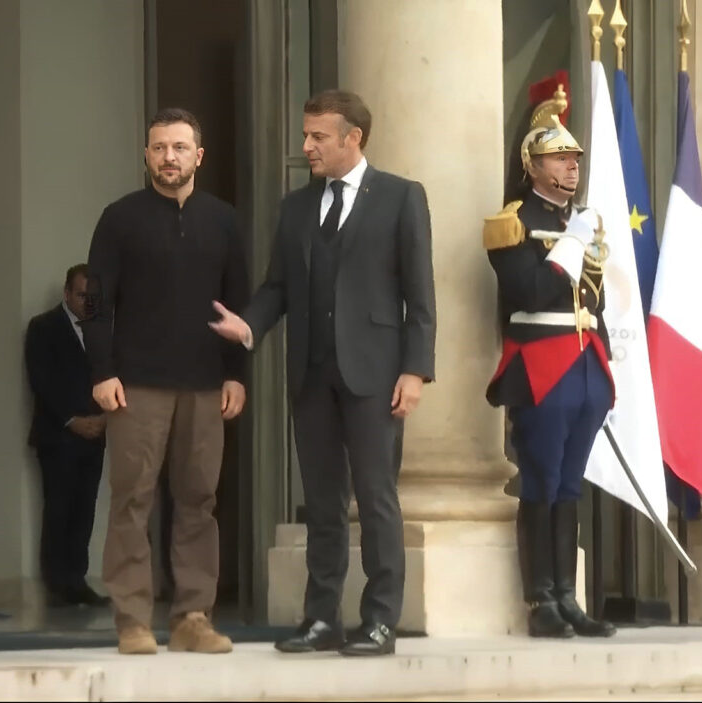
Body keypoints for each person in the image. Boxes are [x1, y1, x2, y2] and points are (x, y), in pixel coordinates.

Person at [211, 90, 435, 657]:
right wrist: (249, 327)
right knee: (322, 500)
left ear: (351, 138)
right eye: (306, 135)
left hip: (377, 375)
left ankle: (381, 620)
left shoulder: (401, 198)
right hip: (312, 375)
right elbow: (278, 287)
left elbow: (421, 296)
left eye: (317, 137)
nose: (306, 146)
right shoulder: (295, 207)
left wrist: (416, 370)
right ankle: (321, 619)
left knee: (377, 498)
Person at [84, 107, 249, 655]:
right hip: (136, 385)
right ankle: (132, 619)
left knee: (199, 500)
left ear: (198, 156)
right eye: (159, 147)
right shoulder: (120, 218)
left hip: (206, 384)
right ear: (146, 154)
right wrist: (102, 372)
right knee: (133, 498)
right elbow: (98, 304)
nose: (169, 157)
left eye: (180, 147)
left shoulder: (224, 220)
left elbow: (238, 306)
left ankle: (192, 618)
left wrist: (236, 375)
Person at [481, 83, 615, 638]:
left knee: (570, 486)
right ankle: (540, 602)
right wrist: (570, 244)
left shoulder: (580, 221)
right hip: (543, 362)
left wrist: (606, 371)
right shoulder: (511, 222)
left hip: (586, 364)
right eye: (559, 156)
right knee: (541, 480)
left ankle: (567, 596)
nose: (571, 166)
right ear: (532, 164)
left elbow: (595, 301)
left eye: (575, 157)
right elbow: (531, 293)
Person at [24, 263, 108, 607]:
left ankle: (77, 580)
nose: (87, 301)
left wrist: (103, 419)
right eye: (81, 294)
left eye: (92, 296)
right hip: (58, 436)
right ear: (67, 293)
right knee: (58, 508)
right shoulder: (43, 327)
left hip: (96, 435)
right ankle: (57, 585)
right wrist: (72, 420)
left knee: (85, 510)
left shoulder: (103, 330)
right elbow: (41, 380)